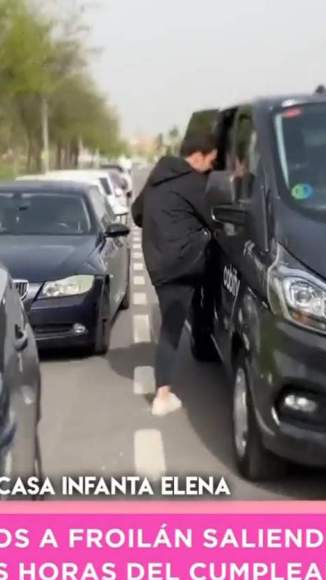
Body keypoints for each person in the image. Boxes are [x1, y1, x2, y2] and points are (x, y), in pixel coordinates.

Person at [132, 132, 218, 416]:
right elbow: (214, 219)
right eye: (211, 161)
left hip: (157, 264)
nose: (211, 167)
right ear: (198, 156)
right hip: (181, 266)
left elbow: (137, 214)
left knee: (175, 317)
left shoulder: (157, 179)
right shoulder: (195, 182)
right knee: (171, 329)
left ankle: (201, 331)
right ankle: (162, 396)